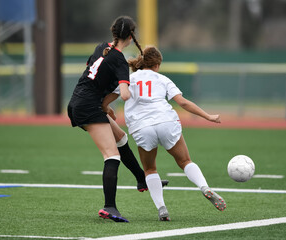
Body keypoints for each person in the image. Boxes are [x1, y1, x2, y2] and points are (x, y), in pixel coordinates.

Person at [103, 46, 226, 221]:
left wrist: (107, 109)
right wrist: (208, 116)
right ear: (157, 64)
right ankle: (204, 187)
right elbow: (183, 103)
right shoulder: (163, 79)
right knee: (185, 161)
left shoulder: (128, 79)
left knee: (150, 169)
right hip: (166, 121)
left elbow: (106, 101)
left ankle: (162, 208)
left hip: (141, 126)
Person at [67, 16, 147, 223]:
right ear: (130, 36)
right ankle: (109, 207)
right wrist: (132, 89)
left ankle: (142, 179)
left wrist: (105, 105)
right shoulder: (120, 60)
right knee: (112, 156)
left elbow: (93, 75)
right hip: (87, 107)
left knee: (120, 137)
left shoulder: (101, 47)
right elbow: (125, 93)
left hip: (79, 102)